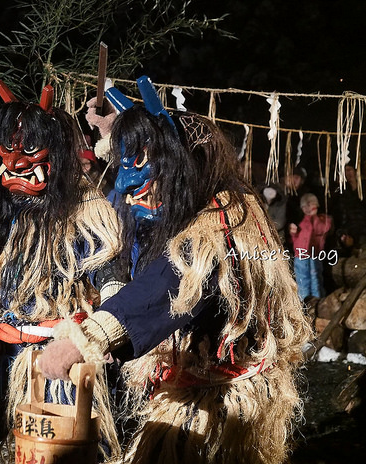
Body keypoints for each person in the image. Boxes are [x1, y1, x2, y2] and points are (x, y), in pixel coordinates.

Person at [39, 96, 313, 464]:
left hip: (219, 405)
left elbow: (176, 280)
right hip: (191, 385)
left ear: (182, 166)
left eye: (144, 169)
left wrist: (85, 339)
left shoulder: (225, 221)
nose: (127, 187)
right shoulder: (200, 194)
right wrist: (116, 133)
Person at [0, 89, 123, 463]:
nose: (18, 160)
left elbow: (111, 276)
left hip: (54, 353)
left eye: (31, 147)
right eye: (10, 146)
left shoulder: (85, 211)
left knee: (63, 446)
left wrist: (106, 324)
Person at [289, 193, 333, 300]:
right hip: (300, 256)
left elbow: (321, 229)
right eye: (305, 206)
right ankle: (304, 302)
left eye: (310, 205)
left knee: (315, 279)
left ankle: (317, 302)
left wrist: (314, 216)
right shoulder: (302, 222)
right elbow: (296, 240)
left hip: (314, 255)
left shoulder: (322, 220)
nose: (307, 209)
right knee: (302, 280)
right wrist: (294, 233)